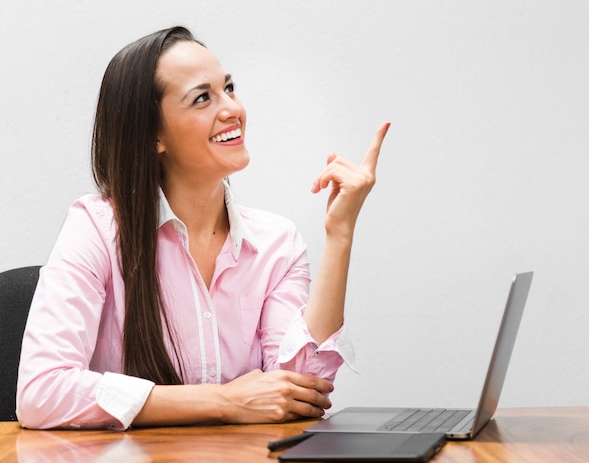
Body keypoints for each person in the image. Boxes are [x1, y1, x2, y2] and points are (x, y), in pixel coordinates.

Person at [16, 26, 389, 430]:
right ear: (152, 134)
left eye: (228, 88)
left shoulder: (276, 243)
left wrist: (340, 234)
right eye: (202, 98)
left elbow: (301, 390)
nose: (231, 108)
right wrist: (224, 401)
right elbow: (41, 392)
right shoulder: (97, 229)